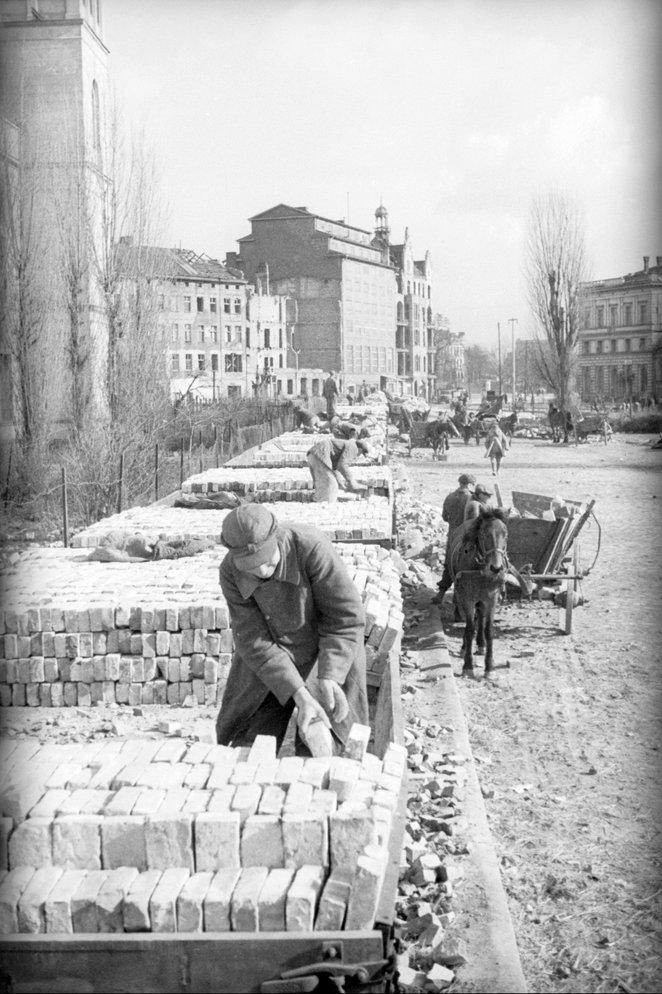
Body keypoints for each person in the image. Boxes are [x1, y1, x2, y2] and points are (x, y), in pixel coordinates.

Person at [216, 505, 369, 756]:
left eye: (267, 561)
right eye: (251, 567)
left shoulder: (311, 548)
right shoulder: (230, 572)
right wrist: (299, 693)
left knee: (334, 737)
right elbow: (254, 640)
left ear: (276, 538)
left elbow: (345, 617)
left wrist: (330, 674)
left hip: (326, 647)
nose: (262, 571)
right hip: (272, 654)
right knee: (248, 738)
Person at [431, 473, 476, 606]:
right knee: (467, 565)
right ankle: (460, 598)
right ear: (470, 484)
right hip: (467, 536)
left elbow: (445, 516)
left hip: (452, 535)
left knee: (450, 564)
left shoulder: (450, 497)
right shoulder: (472, 499)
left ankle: (440, 594)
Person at [306, 436, 372, 502]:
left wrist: (341, 483)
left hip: (315, 455)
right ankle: (316, 501)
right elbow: (342, 465)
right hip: (320, 454)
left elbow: (336, 467)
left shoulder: (348, 445)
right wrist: (352, 481)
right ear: (360, 449)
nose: (358, 455)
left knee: (328, 486)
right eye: (361, 453)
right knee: (329, 488)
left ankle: (315, 498)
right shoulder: (353, 448)